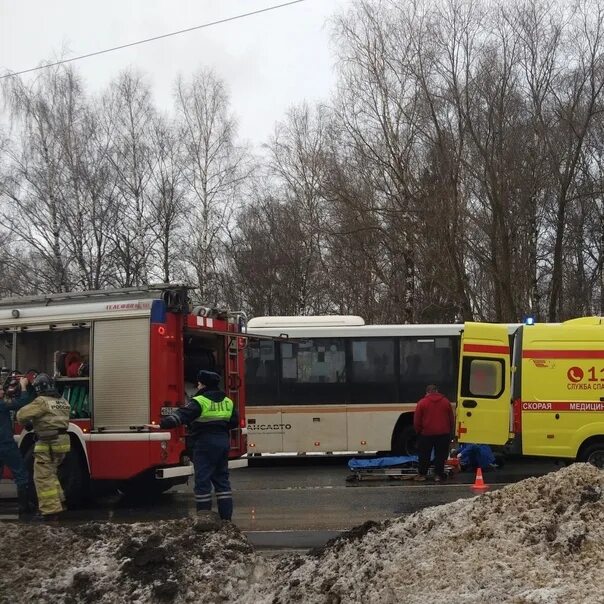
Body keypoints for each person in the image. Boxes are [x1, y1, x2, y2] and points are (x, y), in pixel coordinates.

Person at [159, 370, 238, 521]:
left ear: (204, 384)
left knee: (203, 481)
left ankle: (205, 519)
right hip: (222, 442)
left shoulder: (200, 400)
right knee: (222, 482)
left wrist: (163, 424)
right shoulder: (227, 401)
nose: (197, 385)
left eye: (199, 383)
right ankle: (226, 520)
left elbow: (183, 415)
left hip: (205, 443)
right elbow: (234, 421)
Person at [16, 373, 71, 520]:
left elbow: (21, 415)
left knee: (42, 477)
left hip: (47, 442)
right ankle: (60, 503)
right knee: (51, 474)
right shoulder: (63, 401)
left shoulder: (41, 401)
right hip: (62, 443)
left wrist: (22, 389)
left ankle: (50, 511)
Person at [0, 376, 34, 514]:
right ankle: (24, 507)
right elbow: (22, 402)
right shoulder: (1, 405)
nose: (2, 391)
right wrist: (24, 386)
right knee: (20, 473)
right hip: (5, 445)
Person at [413, 384, 454, 482]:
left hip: (426, 434)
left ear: (427, 392)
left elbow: (417, 421)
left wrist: (418, 431)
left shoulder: (422, 403)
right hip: (443, 434)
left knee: (424, 455)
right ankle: (438, 475)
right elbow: (451, 419)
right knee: (440, 455)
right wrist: (449, 431)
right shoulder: (446, 402)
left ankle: (422, 474)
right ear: (437, 391)